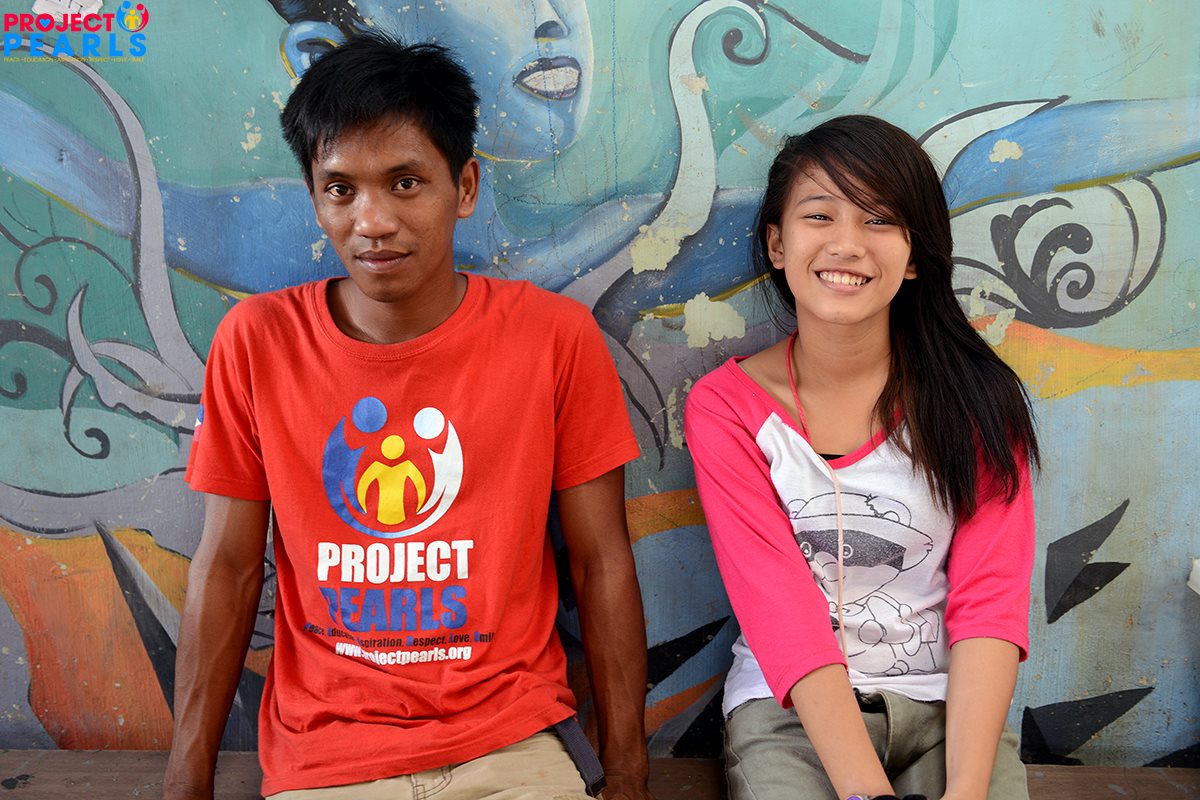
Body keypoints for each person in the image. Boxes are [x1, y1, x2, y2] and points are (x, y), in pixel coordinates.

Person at [164, 33, 654, 800]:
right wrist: (184, 782)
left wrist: (626, 774)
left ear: (464, 186)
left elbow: (602, 562)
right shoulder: (257, 343)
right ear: (314, 197)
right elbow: (226, 568)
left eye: (404, 183)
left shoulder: (553, 339)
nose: (373, 221)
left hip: (514, 742)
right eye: (340, 189)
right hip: (328, 756)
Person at [683, 115, 1039, 800]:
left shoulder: (978, 403)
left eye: (880, 220)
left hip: (947, 712)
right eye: (820, 215)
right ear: (778, 244)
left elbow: (989, 606)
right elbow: (781, 611)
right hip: (791, 715)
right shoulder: (726, 408)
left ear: (915, 255)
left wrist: (968, 789)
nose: (847, 244)